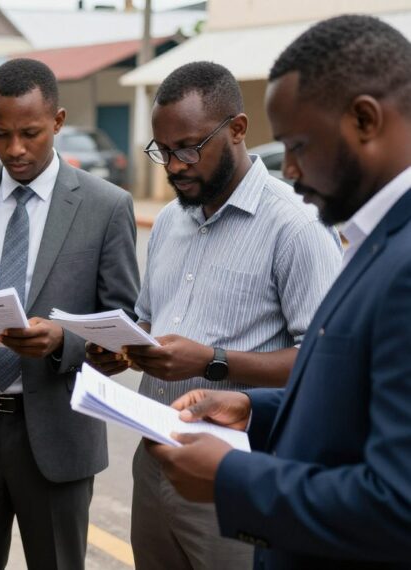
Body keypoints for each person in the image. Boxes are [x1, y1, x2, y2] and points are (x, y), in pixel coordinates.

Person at [148, 14, 411, 569]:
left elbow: (398, 503)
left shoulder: (393, 257)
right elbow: (340, 393)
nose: (288, 167)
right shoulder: (372, 235)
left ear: (365, 119)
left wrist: (234, 477)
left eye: (297, 144)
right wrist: (251, 407)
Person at [87, 61, 342, 570]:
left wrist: (213, 360)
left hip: (235, 471)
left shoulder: (295, 226)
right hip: (155, 462)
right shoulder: (166, 223)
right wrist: (121, 346)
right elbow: (150, 321)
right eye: (163, 151)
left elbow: (325, 366)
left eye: (188, 148)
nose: (175, 166)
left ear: (238, 130)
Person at [0, 58, 140, 569]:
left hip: (58, 435)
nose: (15, 149)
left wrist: (64, 341)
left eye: (30, 133)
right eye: (1, 134)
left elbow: (126, 320)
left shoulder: (106, 206)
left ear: (57, 122)